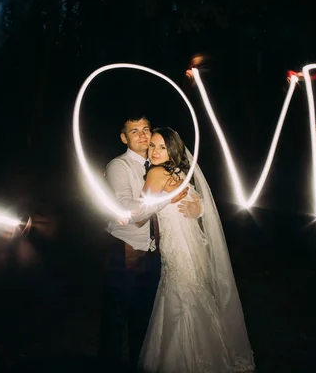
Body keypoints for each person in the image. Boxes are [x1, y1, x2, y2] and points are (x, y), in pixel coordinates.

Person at [138, 127, 255, 373]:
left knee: (184, 293)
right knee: (191, 292)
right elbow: (190, 203)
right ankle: (208, 356)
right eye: (153, 146)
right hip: (189, 242)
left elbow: (142, 212)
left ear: (173, 149)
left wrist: (194, 209)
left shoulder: (159, 172)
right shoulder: (179, 172)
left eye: (162, 146)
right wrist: (189, 207)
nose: (156, 151)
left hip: (183, 243)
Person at [99, 115, 201, 371]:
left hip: (155, 251)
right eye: (135, 132)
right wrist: (168, 198)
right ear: (124, 138)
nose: (143, 136)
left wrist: (195, 207)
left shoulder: (159, 162)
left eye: (146, 129)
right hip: (126, 249)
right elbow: (129, 211)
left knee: (145, 316)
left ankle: (139, 364)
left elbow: (194, 197)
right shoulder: (118, 166)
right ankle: (107, 366)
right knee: (117, 314)